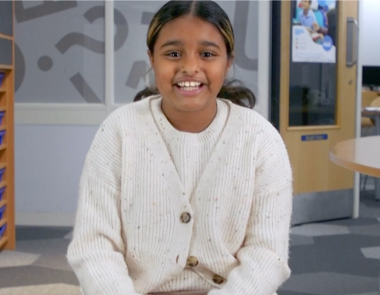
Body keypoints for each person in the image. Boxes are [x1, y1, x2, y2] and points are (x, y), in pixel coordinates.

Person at [67, 0, 293, 294]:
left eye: (207, 54)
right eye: (173, 54)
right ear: (151, 58)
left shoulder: (260, 139)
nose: (189, 67)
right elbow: (94, 245)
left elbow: (266, 255)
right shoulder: (119, 132)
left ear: (228, 61)